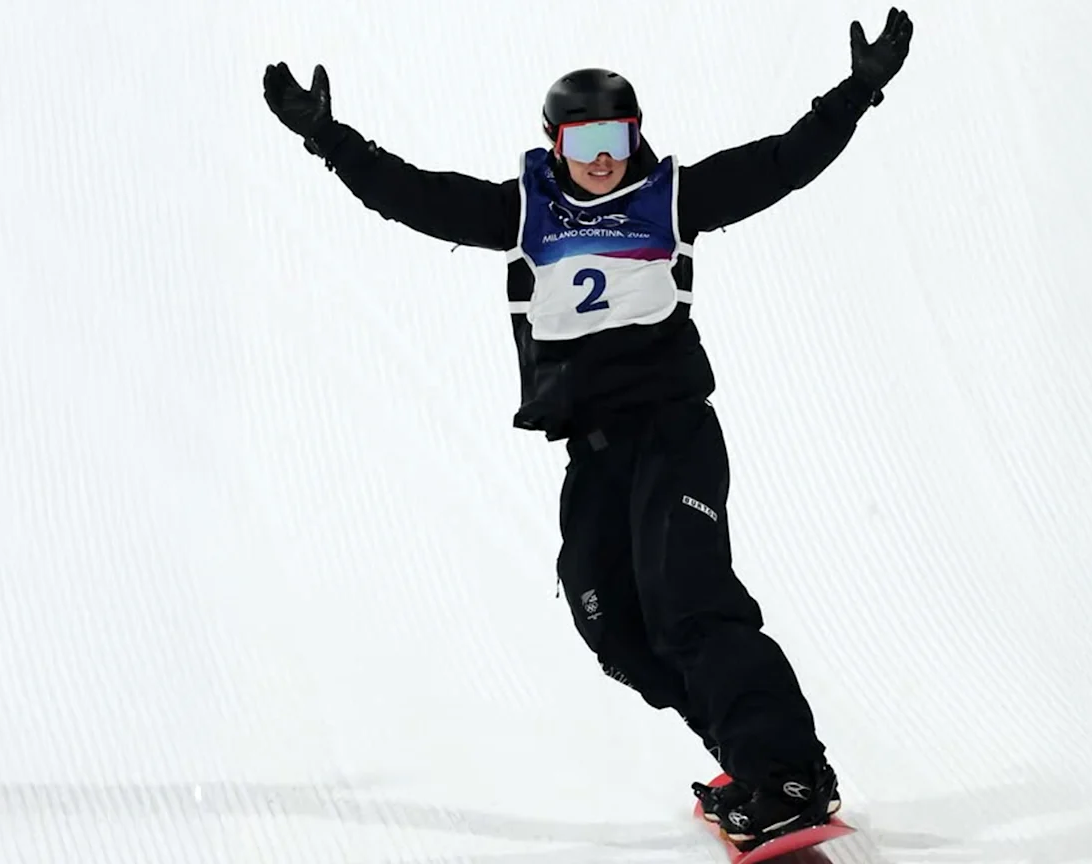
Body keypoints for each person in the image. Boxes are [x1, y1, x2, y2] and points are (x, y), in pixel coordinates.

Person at [262, 7, 914, 847]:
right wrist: (329, 137)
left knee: (689, 597)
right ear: (553, 143)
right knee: (611, 621)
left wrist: (855, 94)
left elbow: (782, 164)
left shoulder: (671, 199)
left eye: (615, 136)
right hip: (594, 452)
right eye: (582, 142)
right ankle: (749, 758)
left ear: (636, 135)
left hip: (673, 432)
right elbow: (415, 198)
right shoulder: (524, 213)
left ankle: (786, 769)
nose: (602, 158)